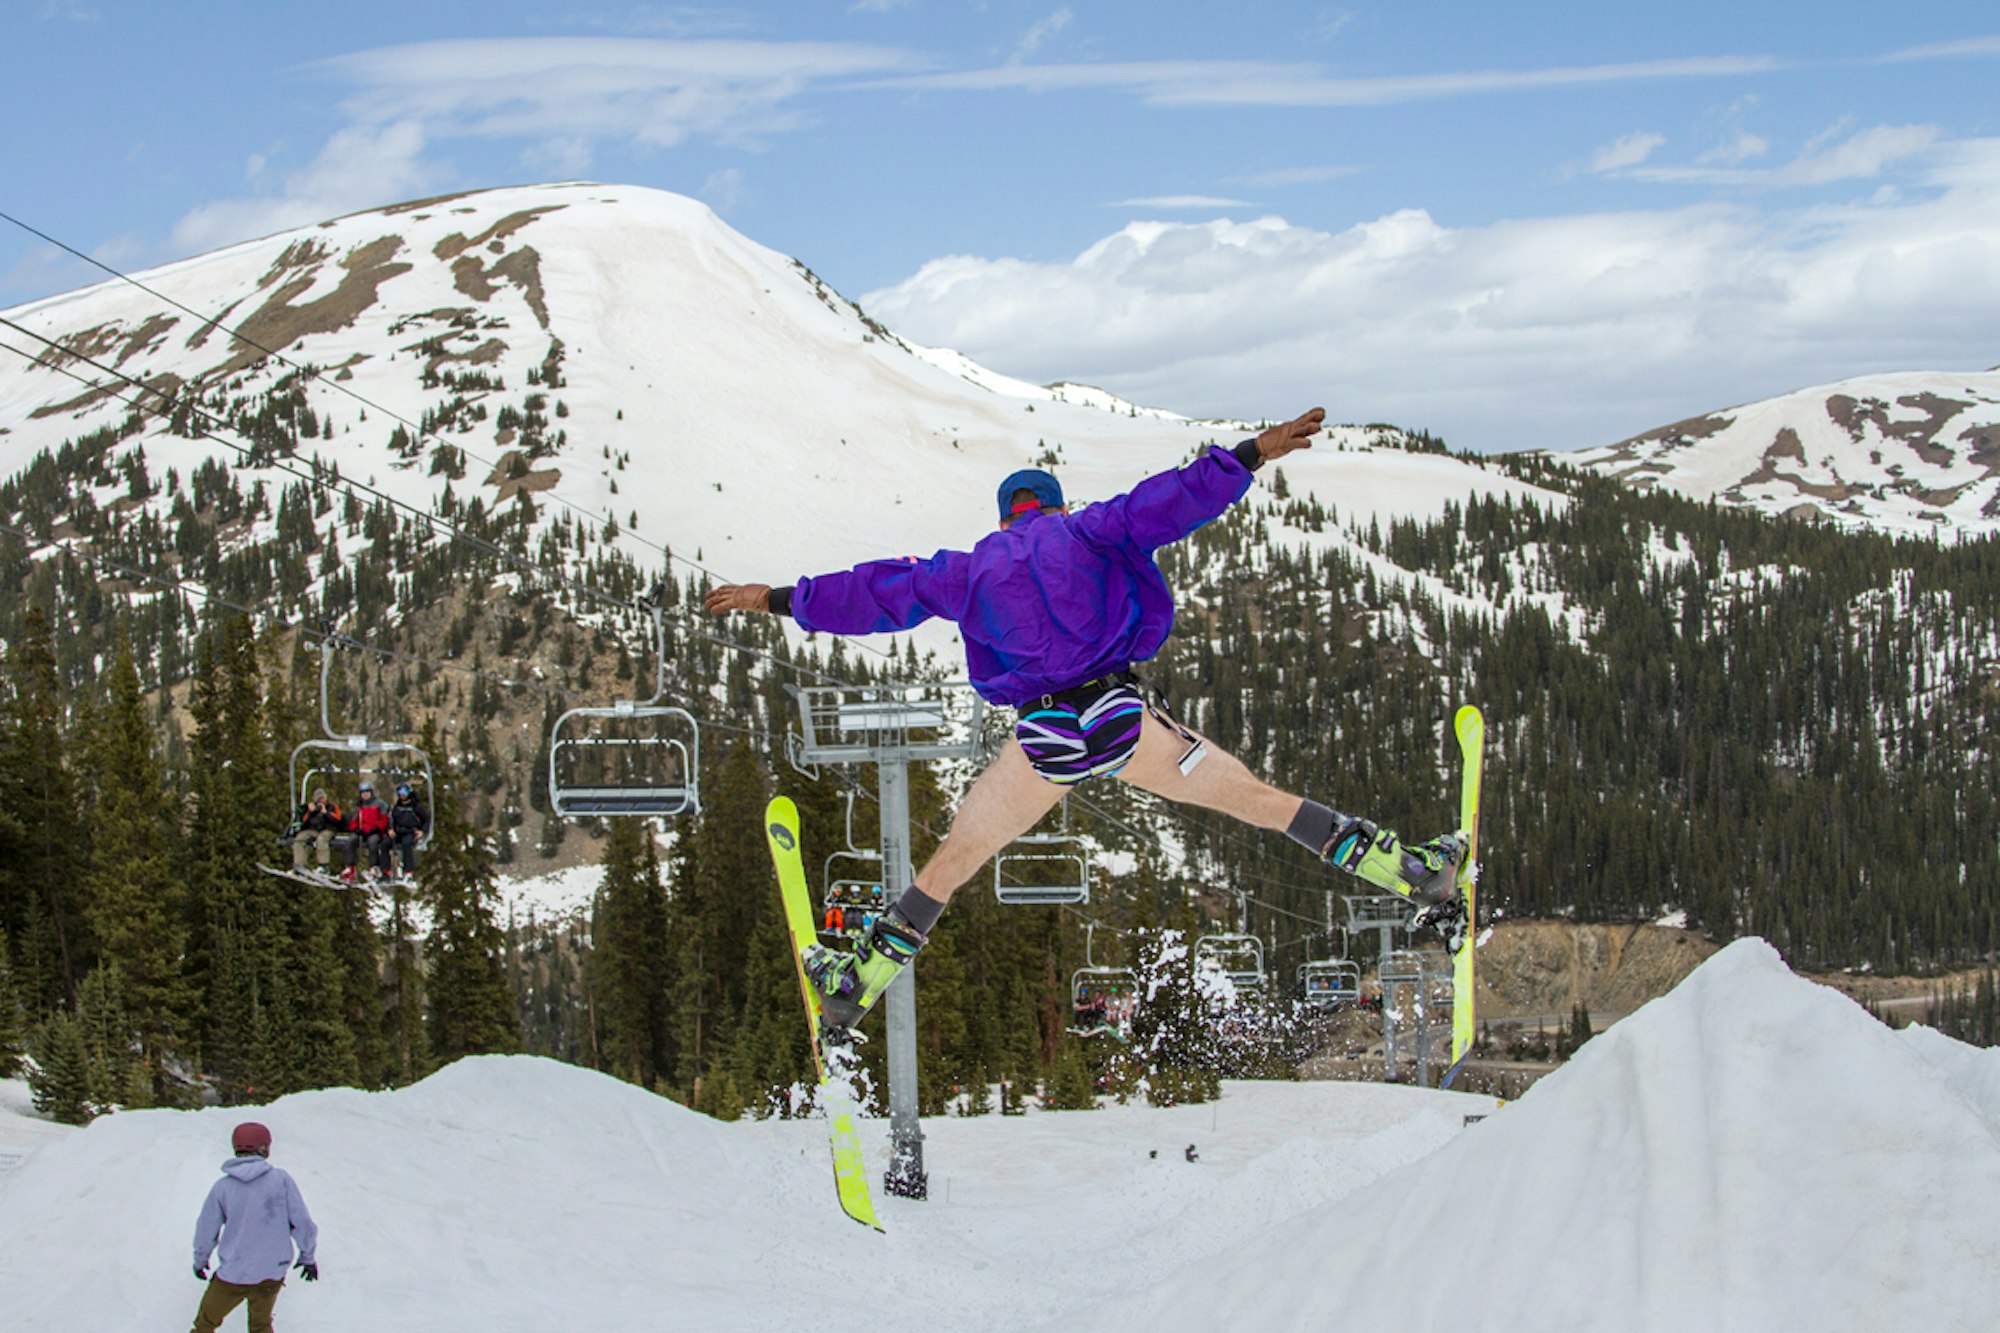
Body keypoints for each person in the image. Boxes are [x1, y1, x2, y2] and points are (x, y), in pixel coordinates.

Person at [708, 408, 1465, 1029]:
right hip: (1119, 717)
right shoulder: (1090, 530)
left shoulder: (967, 569)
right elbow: (1167, 502)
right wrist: (1247, 455)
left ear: (1006, 515)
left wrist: (773, 598)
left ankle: (858, 982)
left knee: (955, 859)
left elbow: (872, 593)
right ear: (1057, 503)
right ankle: (1411, 870)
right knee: (1257, 801)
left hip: (1043, 741)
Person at [190, 1121, 318, 1333]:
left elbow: (206, 1229)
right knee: (261, 1326)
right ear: (264, 1148)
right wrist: (308, 1256)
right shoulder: (281, 1180)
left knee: (205, 1323)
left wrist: (200, 1260)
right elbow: (302, 1222)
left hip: (235, 1273)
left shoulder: (223, 1187)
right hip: (272, 1271)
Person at [290, 788, 346, 877]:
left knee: (321, 839)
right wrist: (310, 812)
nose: (321, 802)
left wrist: (326, 813)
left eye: (322, 799)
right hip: (314, 829)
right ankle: (299, 865)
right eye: (318, 799)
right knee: (300, 838)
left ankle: (324, 866)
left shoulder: (332, 807)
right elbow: (304, 822)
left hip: (329, 829)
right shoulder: (312, 808)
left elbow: (338, 820)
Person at [346, 781, 392, 883]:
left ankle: (374, 867)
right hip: (362, 831)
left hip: (374, 831)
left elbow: (384, 819)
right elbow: (354, 821)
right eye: (363, 792)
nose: (365, 794)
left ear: (371, 792)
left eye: (367, 792)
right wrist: (356, 829)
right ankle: (350, 868)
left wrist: (377, 828)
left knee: (373, 842)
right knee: (351, 841)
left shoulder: (380, 804)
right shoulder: (359, 806)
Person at [389, 783, 431, 880]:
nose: (402, 794)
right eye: (400, 792)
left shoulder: (416, 806)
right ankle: (384, 871)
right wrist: (391, 829)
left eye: (405, 792)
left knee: (406, 843)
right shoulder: (398, 806)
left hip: (411, 831)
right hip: (399, 831)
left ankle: (408, 871)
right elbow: (392, 819)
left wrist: (422, 831)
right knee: (385, 842)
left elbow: (426, 819)